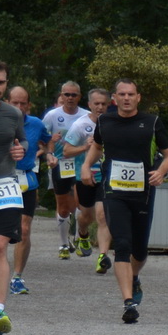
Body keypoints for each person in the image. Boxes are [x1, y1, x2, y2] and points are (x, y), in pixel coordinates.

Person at [83, 80, 168, 323]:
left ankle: (133, 278)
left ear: (138, 97)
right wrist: (85, 165)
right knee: (122, 244)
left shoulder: (152, 122)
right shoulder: (105, 121)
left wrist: (161, 171)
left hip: (143, 193)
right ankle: (128, 303)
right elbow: (97, 147)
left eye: (130, 94)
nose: (126, 98)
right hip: (114, 192)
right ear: (114, 98)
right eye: (122, 94)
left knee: (140, 249)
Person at [0, 61, 28, 335]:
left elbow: (23, 142)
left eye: (0, 82)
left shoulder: (13, 113)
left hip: (4, 184)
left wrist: (20, 151)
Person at [62, 89, 110, 271]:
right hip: (85, 176)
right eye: (96, 104)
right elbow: (66, 151)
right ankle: (82, 233)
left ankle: (102, 257)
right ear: (89, 105)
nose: (100, 107)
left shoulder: (113, 123)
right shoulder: (80, 125)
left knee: (102, 216)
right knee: (87, 216)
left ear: (109, 105)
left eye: (103, 104)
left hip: (106, 176)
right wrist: (85, 147)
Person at [7, 86, 45, 295]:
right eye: (15, 103)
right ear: (7, 102)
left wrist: (49, 154)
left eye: (23, 103)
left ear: (29, 105)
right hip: (1, 179)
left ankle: (17, 277)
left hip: (26, 182)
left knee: (24, 229)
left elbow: (48, 143)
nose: (19, 107)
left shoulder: (37, 124)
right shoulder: (0, 120)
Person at [41, 82, 85, 259]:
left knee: (81, 203)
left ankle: (79, 238)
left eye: (74, 95)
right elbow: (43, 138)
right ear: (61, 95)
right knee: (64, 207)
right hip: (61, 164)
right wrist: (49, 153)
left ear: (79, 97)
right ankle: (63, 244)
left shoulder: (86, 116)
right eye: (67, 94)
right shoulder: (52, 115)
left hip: (81, 164)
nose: (70, 98)